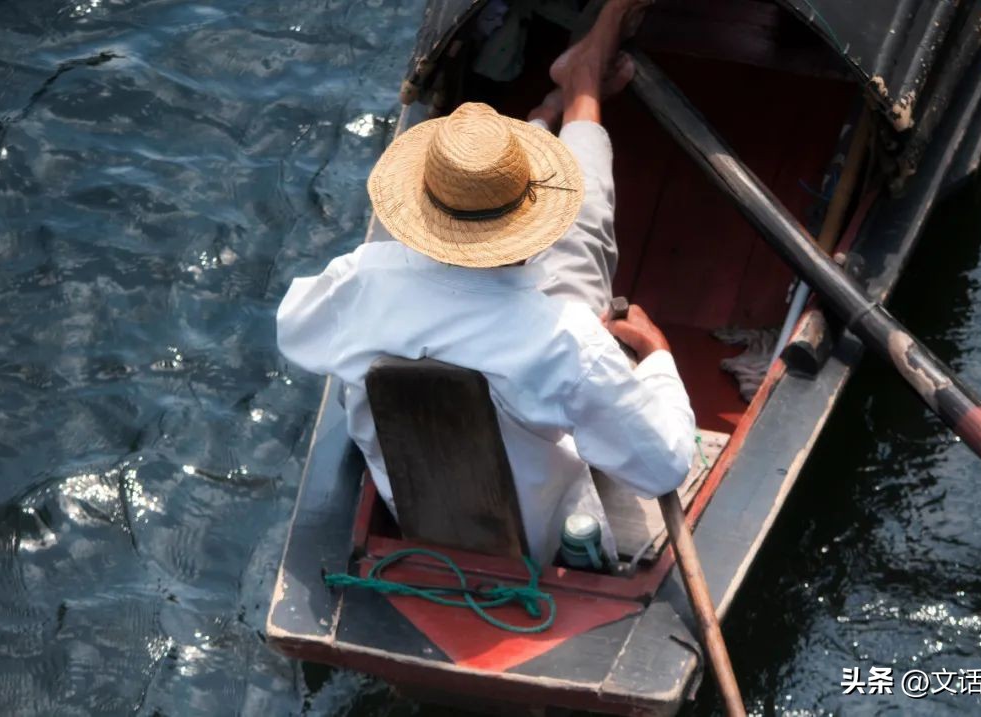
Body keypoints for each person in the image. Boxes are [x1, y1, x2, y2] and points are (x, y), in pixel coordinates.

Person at [276, 0, 695, 565]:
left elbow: (294, 329)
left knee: (577, 248)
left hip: (412, 512)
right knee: (584, 234)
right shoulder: (567, 340)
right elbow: (663, 464)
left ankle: (554, 110)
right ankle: (580, 92)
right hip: (543, 541)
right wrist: (660, 360)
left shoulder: (358, 280)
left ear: (425, 210)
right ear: (528, 227)